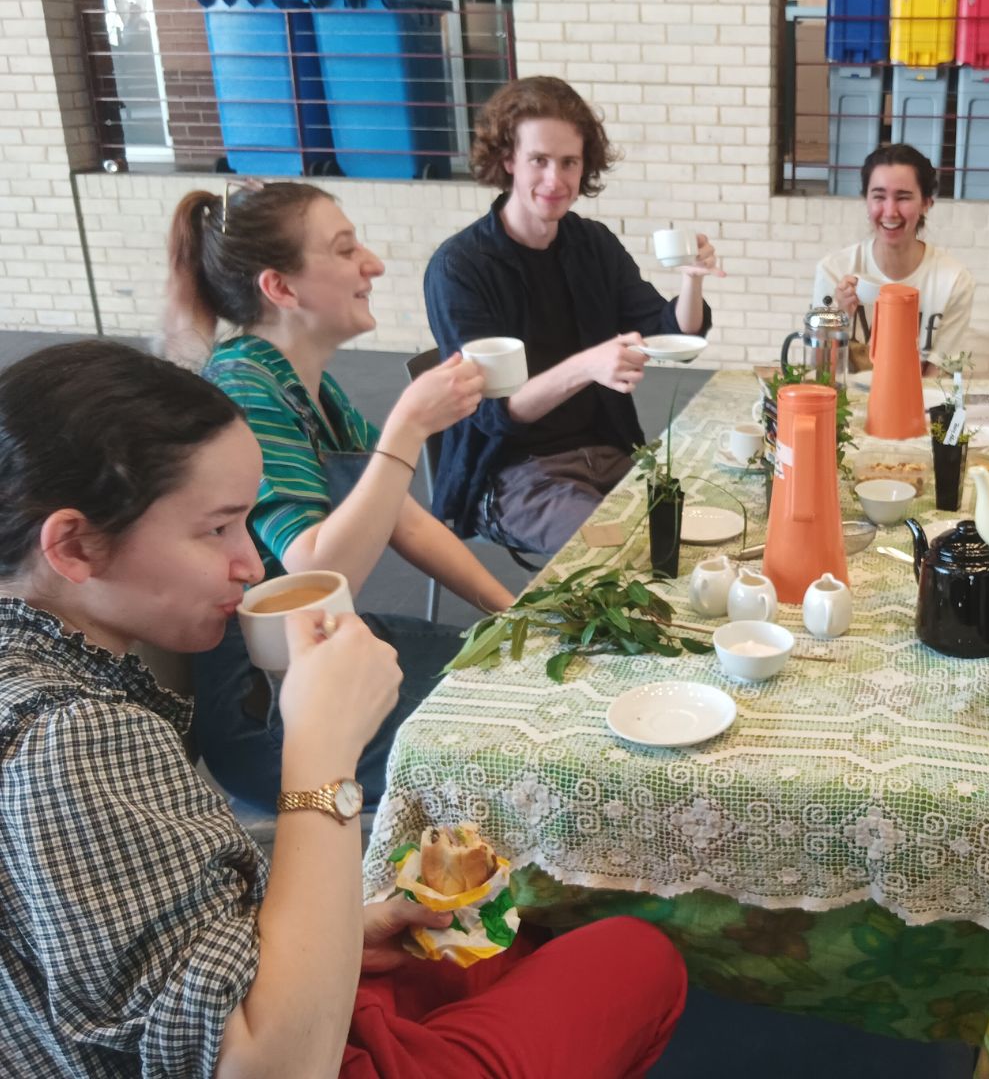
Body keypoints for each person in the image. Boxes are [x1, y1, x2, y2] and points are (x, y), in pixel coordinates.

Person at [0, 340, 686, 1078]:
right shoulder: (71, 734)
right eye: (217, 528)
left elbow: (133, 962)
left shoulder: (61, 680)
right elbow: (274, 1067)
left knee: (494, 944)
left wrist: (348, 931)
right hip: (295, 1054)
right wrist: (321, 752)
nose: (250, 563)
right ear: (73, 545)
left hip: (241, 997)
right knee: (639, 956)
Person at [166, 181, 518, 811]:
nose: (374, 265)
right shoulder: (243, 389)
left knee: (509, 669)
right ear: (281, 288)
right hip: (276, 714)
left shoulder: (303, 384)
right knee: (509, 732)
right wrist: (408, 428)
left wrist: (513, 611)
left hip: (325, 648)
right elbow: (318, 570)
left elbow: (402, 520)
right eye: (346, 248)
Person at [425, 76, 721, 557]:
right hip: (511, 472)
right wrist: (588, 365)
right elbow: (497, 414)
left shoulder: (592, 244)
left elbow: (672, 330)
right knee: (620, 554)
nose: (555, 180)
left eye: (569, 163)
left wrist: (692, 279)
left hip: (607, 451)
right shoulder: (461, 266)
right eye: (538, 160)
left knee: (697, 533)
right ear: (508, 161)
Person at [812, 143, 975, 360]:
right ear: (866, 201)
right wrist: (839, 317)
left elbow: (940, 379)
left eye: (903, 197)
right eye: (879, 196)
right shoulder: (833, 271)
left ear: (926, 203)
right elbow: (820, 372)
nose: (890, 212)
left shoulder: (954, 281)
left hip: (919, 395)